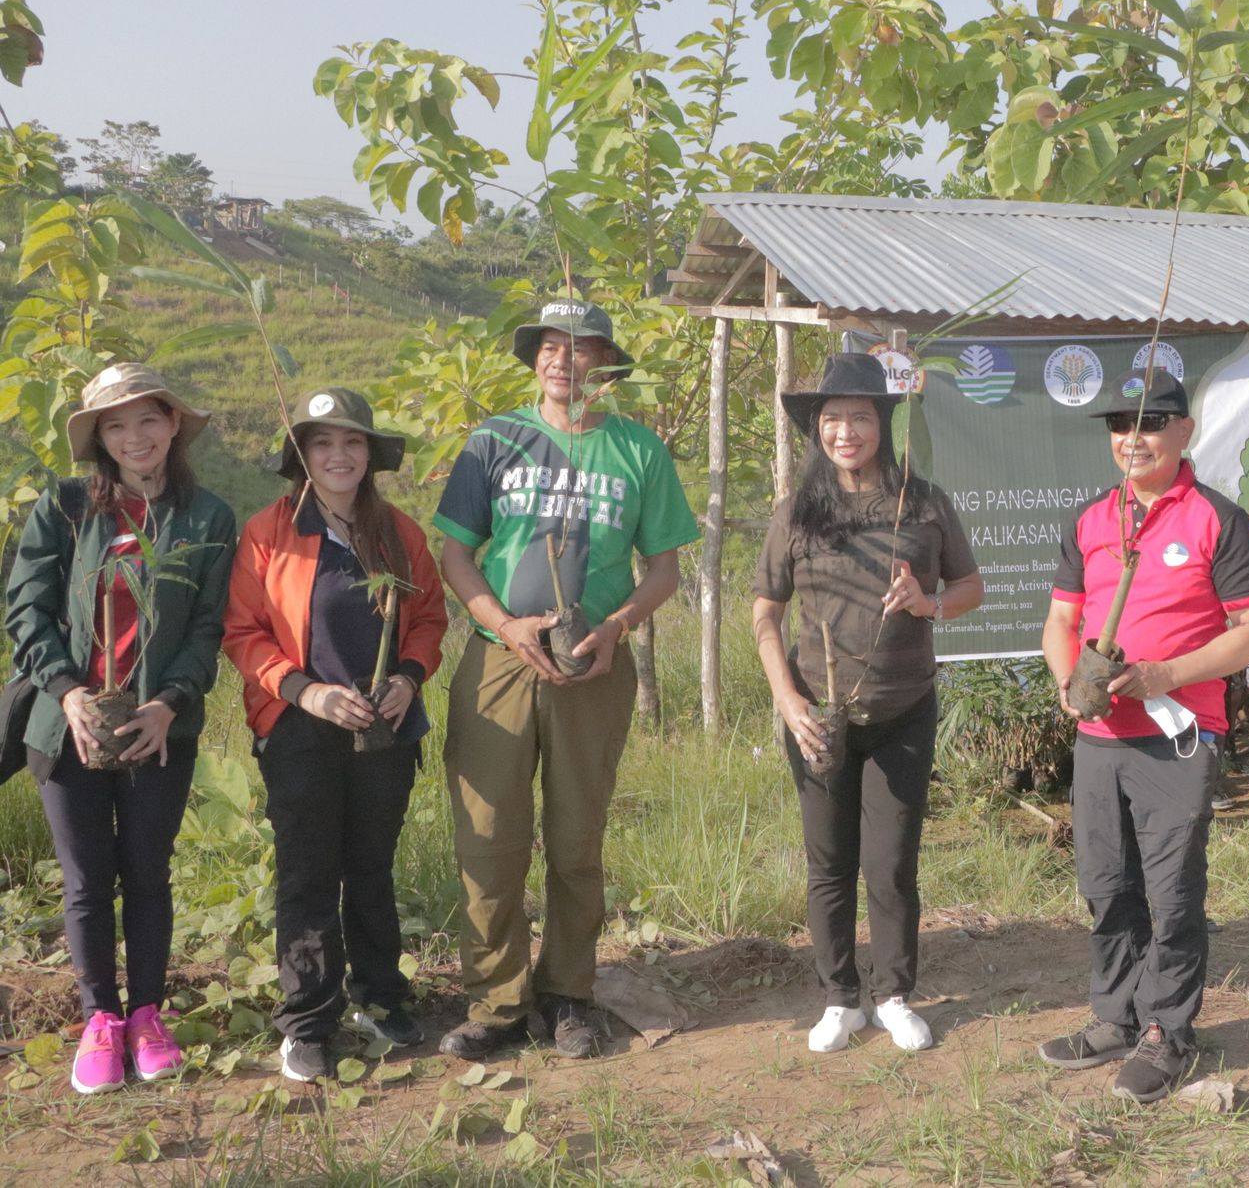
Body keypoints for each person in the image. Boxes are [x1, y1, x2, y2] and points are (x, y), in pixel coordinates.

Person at [432, 298, 697, 1061]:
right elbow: (457, 552)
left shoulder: (637, 452)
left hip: (595, 666)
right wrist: (503, 624)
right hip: (499, 661)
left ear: (603, 364)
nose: (560, 361)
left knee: (577, 838)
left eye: (578, 349)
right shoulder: (496, 441)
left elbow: (666, 569)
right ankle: (497, 1002)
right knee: (488, 837)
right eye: (548, 347)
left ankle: (568, 993)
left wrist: (617, 629)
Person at [1037, 366, 1249, 1103]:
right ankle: (1115, 1015)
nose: (1130, 438)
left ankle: (1168, 1032)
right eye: (1118, 425)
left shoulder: (1216, 519)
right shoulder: (1091, 520)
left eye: (1147, 422)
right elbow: (1061, 621)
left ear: (1183, 431)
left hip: (1177, 737)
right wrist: (1065, 680)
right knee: (1105, 887)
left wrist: (1166, 675)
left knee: (1171, 893)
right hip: (1101, 738)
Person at [3, 364, 237, 1095]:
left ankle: (146, 1015)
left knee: (147, 873)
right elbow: (27, 610)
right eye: (115, 424)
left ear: (173, 425)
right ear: (100, 439)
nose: (134, 436)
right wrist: (69, 694)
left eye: (147, 419)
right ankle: (99, 1018)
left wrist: (169, 701)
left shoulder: (205, 517)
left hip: (157, 726)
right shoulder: (70, 509)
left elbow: (208, 625)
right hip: (70, 724)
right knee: (84, 880)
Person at [752, 353, 984, 1054]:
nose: (845, 432)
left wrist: (929, 601)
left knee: (890, 863)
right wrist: (787, 698)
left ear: (883, 422)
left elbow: (971, 588)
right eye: (831, 420)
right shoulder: (797, 510)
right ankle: (838, 998)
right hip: (818, 717)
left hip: (902, 709)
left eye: (859, 417)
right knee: (829, 862)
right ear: (816, 430)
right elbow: (765, 612)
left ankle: (892, 995)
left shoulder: (926, 503)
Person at [223, 388, 449, 1082]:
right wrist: (307, 690)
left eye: (352, 443)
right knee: (309, 875)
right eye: (322, 443)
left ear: (370, 456)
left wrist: (408, 679)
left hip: (385, 731)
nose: (339, 455)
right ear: (303, 457)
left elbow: (430, 620)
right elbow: (243, 632)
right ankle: (308, 1020)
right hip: (300, 732)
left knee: (372, 869)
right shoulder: (269, 531)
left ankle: (380, 995)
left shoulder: (398, 534)